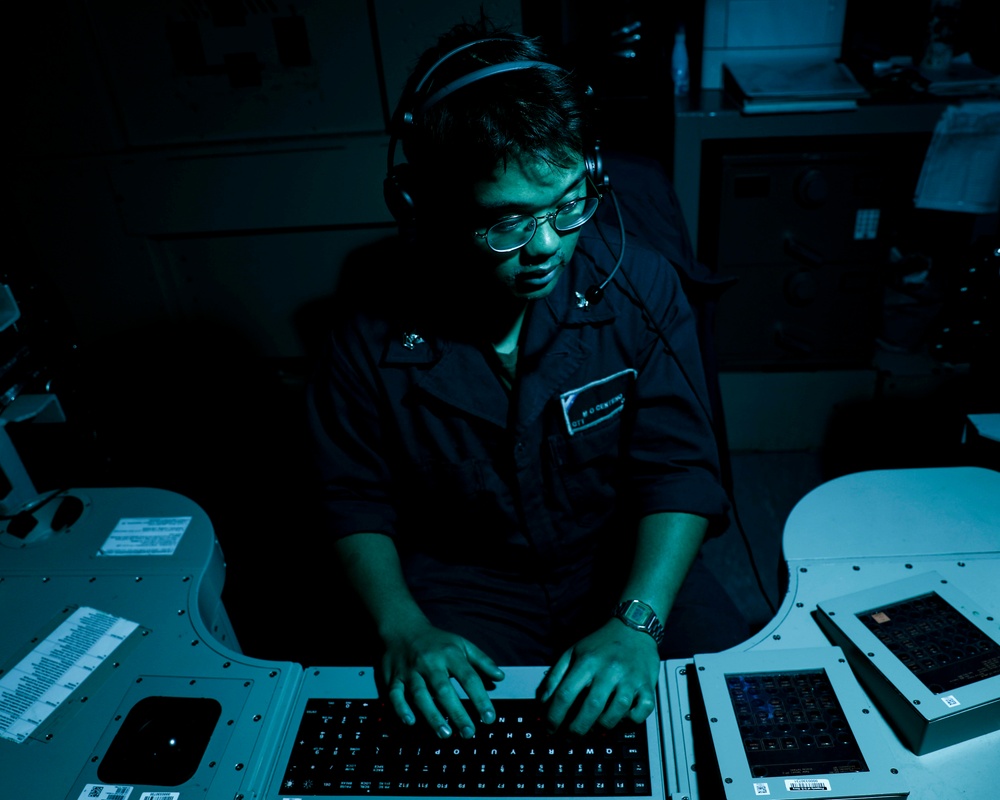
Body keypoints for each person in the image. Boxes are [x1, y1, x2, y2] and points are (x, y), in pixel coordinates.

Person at [306, 19, 737, 741]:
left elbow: (680, 467)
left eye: (568, 205)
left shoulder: (642, 283)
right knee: (447, 744)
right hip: (467, 581)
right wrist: (404, 629)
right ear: (426, 207)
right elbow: (351, 498)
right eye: (505, 222)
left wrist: (637, 623)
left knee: (727, 716)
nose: (546, 248)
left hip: (623, 561)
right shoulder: (366, 325)